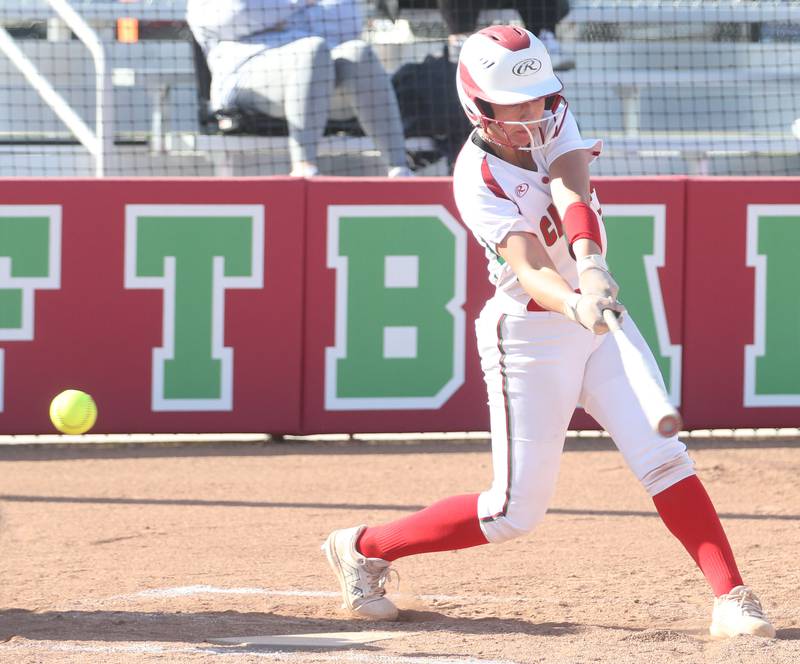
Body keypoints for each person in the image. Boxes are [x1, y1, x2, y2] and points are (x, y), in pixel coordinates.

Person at [322, 25, 775, 638]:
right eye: (516, 103)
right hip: (529, 336)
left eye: (538, 96)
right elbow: (531, 268)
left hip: (595, 316)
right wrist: (575, 303)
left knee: (664, 459)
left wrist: (590, 262)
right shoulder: (475, 177)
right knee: (512, 513)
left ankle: (732, 596)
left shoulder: (553, 114)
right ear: (478, 108)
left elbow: (569, 183)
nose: (533, 111)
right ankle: (365, 547)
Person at [186, 0, 413, 177]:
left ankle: (399, 169)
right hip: (246, 79)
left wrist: (275, 15)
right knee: (310, 50)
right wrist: (301, 5)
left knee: (358, 53)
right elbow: (235, 14)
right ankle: (305, 170)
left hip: (323, 77)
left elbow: (348, 19)